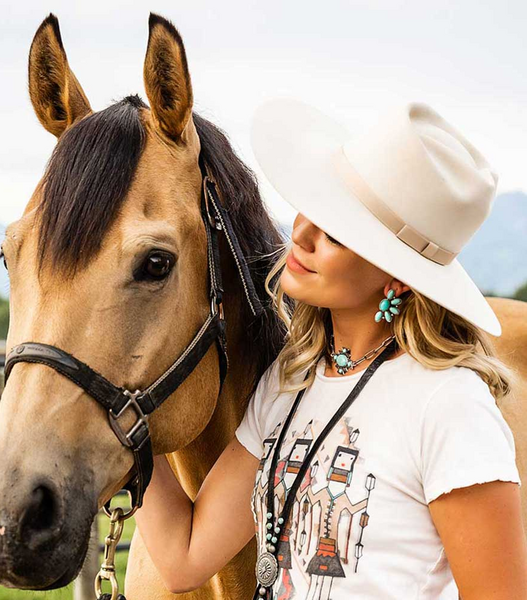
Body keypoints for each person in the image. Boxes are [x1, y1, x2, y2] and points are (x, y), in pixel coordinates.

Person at [132, 98, 527, 599]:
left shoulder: (450, 407)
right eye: (312, 209)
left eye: (337, 232)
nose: (301, 235)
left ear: (400, 279)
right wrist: (120, 415)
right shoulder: (289, 383)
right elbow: (185, 558)